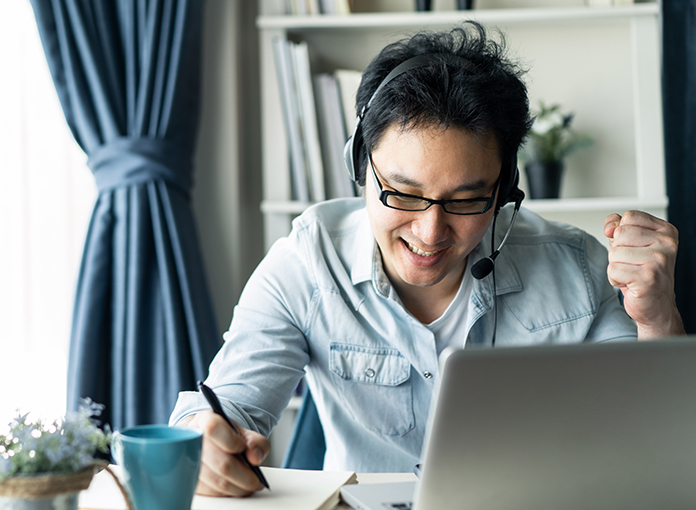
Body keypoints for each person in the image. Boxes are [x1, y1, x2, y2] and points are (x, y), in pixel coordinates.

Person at [169, 22, 684, 497]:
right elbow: (221, 409)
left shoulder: (576, 266)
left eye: (466, 199)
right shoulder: (307, 261)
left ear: (504, 191)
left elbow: (665, 445)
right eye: (403, 193)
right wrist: (203, 442)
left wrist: (658, 319)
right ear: (359, 165)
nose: (430, 231)